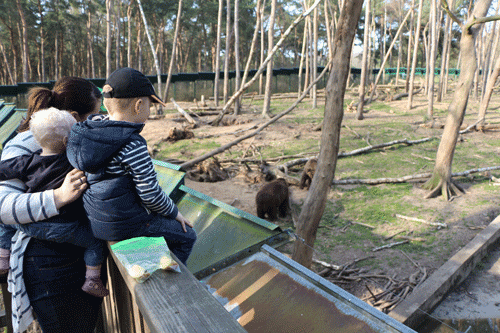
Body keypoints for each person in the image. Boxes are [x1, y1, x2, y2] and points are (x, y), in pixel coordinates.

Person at [0, 77, 106, 333]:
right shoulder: (24, 146)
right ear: (73, 117)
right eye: (94, 115)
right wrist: (58, 196)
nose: (97, 121)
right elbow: (3, 208)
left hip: (70, 254)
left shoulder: (69, 144)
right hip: (47, 263)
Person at [67, 67, 197, 266]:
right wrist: (174, 213)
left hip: (98, 223)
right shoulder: (132, 143)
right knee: (188, 235)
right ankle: (165, 276)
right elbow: (150, 195)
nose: (149, 110)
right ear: (138, 105)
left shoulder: (90, 133)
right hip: (126, 225)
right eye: (149, 105)